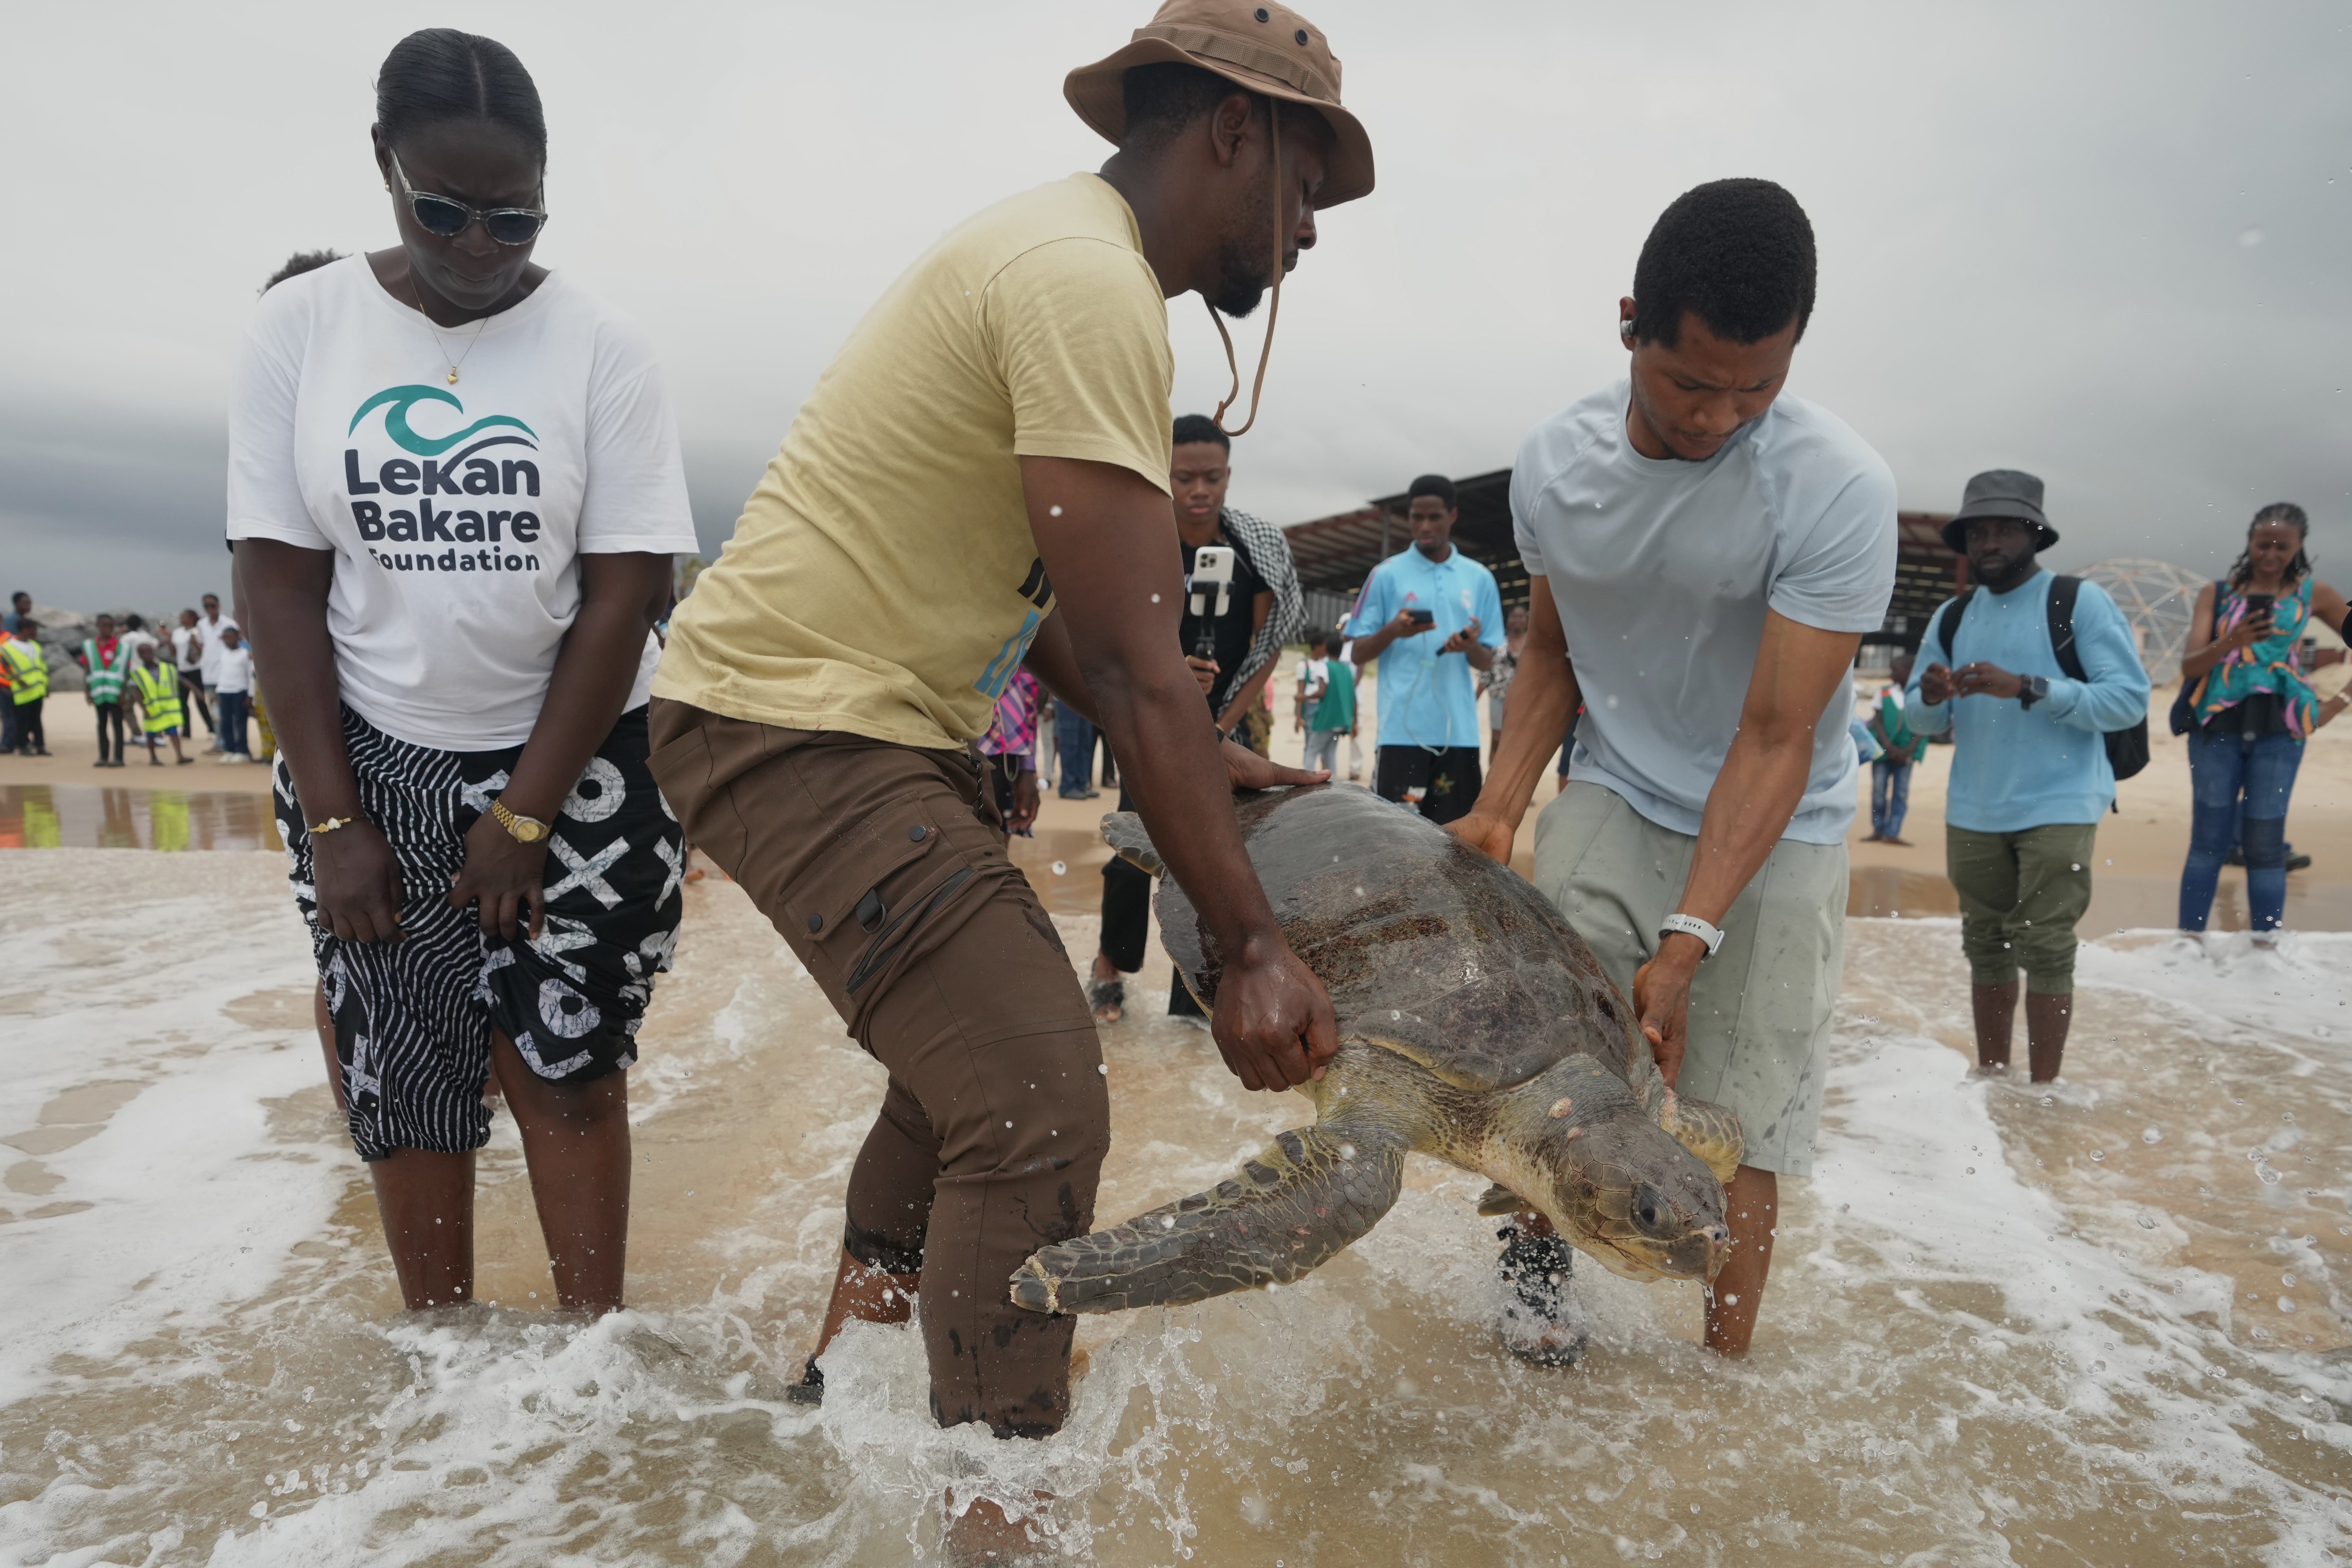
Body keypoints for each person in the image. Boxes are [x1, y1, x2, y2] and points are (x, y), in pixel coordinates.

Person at [644, 1, 1365, 1508]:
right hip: (799, 719)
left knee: (965, 1072)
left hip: (837, 714)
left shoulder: (1068, 256)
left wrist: (1194, 752)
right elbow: (1130, 660)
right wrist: (1249, 946)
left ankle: (840, 1382)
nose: (1307, 234)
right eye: (1305, 188)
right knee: (1038, 1097)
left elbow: (1049, 608)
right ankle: (999, 1515)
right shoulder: (1085, 282)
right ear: (1234, 130)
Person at [231, 29, 696, 1320]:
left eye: (515, 217)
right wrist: (338, 822)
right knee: (405, 1075)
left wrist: (526, 813)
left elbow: (625, 596)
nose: (480, 246)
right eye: (442, 211)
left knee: (570, 1063)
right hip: (367, 755)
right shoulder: (299, 329)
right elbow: (279, 585)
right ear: (384, 165)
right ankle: (440, 1375)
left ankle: (592, 1362)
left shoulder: (603, 347)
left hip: (586, 757)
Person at [1452, 179, 1897, 1362]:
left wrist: (1688, 939)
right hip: (1616, 785)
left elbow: (1775, 734)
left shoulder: (1837, 486)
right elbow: (1553, 652)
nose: (1719, 418)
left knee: (1738, 1121)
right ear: (1629, 327)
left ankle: (1721, 1374)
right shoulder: (1555, 464)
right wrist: (1496, 810)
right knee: (1563, 1083)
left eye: (1758, 387)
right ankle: (1534, 1311)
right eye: (1691, 383)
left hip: (1781, 818)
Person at [1906, 470, 2150, 1078]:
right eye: (1977, 533)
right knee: (1984, 944)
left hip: (2060, 803)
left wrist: (2029, 688)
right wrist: (1932, 696)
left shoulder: (2076, 602)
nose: (1988, 543)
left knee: (2045, 946)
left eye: (2004, 530)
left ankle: (2043, 1094)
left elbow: (2127, 700)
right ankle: (1993, 1083)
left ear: (2035, 535)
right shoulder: (1951, 615)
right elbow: (1916, 719)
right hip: (1973, 807)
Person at [1091, 412, 1304, 1023]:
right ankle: (1109, 966)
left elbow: (1267, 645)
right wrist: (1172, 682)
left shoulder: (1254, 549)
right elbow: (1117, 632)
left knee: (1220, 861)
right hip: (1150, 719)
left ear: (1228, 476)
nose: (1199, 490)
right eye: (1184, 478)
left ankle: (1198, 995)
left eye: (1212, 477)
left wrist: (1219, 726)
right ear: (1163, 475)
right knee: (1134, 849)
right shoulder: (1139, 543)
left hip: (1229, 719)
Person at [2175, 502, 2351, 942]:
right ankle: (2186, 950)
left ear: (2299, 547)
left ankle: (2264, 957)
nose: (2270, 554)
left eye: (2281, 546)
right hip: (2214, 728)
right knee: (2207, 843)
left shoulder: (2314, 594)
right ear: (2249, 542)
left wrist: (2337, 703)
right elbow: (2189, 667)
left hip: (2281, 731)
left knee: (2265, 846)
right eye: (2262, 544)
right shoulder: (2216, 594)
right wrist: (2231, 640)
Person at [1346, 475, 1503, 823]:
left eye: (1434, 517)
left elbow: (1488, 662)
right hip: (1400, 734)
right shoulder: (1385, 574)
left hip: (1459, 735)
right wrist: (1393, 630)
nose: (1425, 526)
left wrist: (1469, 646)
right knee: (1394, 841)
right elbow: (1357, 653)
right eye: (1417, 517)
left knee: (1457, 843)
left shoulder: (1479, 578)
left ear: (1453, 516)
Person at [1864, 651, 1924, 844]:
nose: (1891, 674)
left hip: (1906, 754)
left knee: (1901, 794)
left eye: (1895, 670)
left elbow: (1923, 726)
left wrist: (1908, 750)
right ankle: (1878, 830)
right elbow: (1878, 721)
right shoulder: (1884, 693)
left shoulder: (1920, 695)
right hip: (1883, 752)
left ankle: (1893, 833)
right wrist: (1889, 747)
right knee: (1878, 793)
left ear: (1909, 671)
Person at [977, 665, 1043, 836]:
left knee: (998, 831)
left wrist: (1026, 766)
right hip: (945, 743)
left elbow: (1026, 685)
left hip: (1003, 752)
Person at [76, 613, 136, 768]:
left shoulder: (123, 648)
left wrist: (124, 694)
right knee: (101, 724)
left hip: (116, 693)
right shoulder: (89, 646)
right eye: (104, 626)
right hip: (98, 692)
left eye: (111, 626)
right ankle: (103, 757)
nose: (108, 629)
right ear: (98, 626)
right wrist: (87, 692)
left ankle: (119, 758)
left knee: (117, 724)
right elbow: (87, 670)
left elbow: (126, 673)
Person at [1296, 628, 1355, 774]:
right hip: (1342, 720)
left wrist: (1303, 698)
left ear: (1327, 649)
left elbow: (1321, 692)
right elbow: (1353, 698)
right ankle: (1333, 783)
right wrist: (1354, 721)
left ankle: (1307, 781)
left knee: (1312, 751)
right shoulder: (1347, 670)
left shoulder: (1324, 666)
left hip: (1327, 719)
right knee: (1330, 754)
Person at [128, 639, 193, 766]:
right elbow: (137, 693)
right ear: (140, 655)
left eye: (149, 651)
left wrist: (197, 691)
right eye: (144, 653)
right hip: (152, 709)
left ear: (154, 652)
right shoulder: (138, 673)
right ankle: (153, 758)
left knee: (173, 732)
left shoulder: (167, 668)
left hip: (168, 709)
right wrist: (144, 709)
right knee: (151, 734)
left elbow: (182, 680)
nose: (147, 654)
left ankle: (180, 756)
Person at [1479, 602, 1528, 766]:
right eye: (1514, 616)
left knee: (1521, 741)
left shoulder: (1534, 645)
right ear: (1507, 620)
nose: (1518, 620)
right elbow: (1486, 673)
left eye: (1521, 616)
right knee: (1497, 740)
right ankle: (1493, 776)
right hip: (1499, 698)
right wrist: (1474, 698)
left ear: (1527, 620)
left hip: (1525, 700)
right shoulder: (1498, 643)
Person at [192, 593, 239, 752]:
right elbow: (202, 647)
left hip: (227, 676)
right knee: (216, 713)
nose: (210, 609)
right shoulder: (201, 625)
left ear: (219, 606)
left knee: (230, 712)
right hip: (209, 675)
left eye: (212, 605)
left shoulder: (230, 624)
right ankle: (220, 743)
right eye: (206, 606)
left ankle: (234, 743)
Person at [1, 619, 48, 756]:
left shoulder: (35, 646)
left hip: (37, 689)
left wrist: (45, 686)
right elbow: (4, 664)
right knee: (21, 720)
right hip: (21, 691)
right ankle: (22, 746)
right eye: (33, 629)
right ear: (24, 630)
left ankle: (40, 746)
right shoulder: (9, 647)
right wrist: (14, 679)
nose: (36, 632)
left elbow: (41, 666)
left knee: (36, 720)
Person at [210, 626, 255, 763]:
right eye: (225, 638)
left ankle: (242, 750)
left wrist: (250, 695)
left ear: (238, 638)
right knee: (226, 723)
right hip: (224, 691)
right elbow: (222, 673)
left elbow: (250, 676)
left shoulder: (245, 654)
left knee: (240, 722)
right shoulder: (223, 654)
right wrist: (217, 692)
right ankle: (230, 750)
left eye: (230, 637)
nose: (228, 640)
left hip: (240, 691)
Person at [171, 609, 216, 741]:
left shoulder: (198, 630)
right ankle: (186, 731)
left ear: (192, 618)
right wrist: (167, 638)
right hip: (182, 669)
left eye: (184, 616)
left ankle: (211, 729)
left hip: (196, 669)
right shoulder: (177, 632)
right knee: (183, 701)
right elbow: (174, 652)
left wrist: (195, 643)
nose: (182, 618)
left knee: (200, 700)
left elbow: (204, 650)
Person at [1051, 695, 1099, 798]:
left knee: (1085, 744)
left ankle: (1081, 785)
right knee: (1070, 744)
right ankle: (1068, 786)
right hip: (1067, 697)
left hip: (1085, 698)